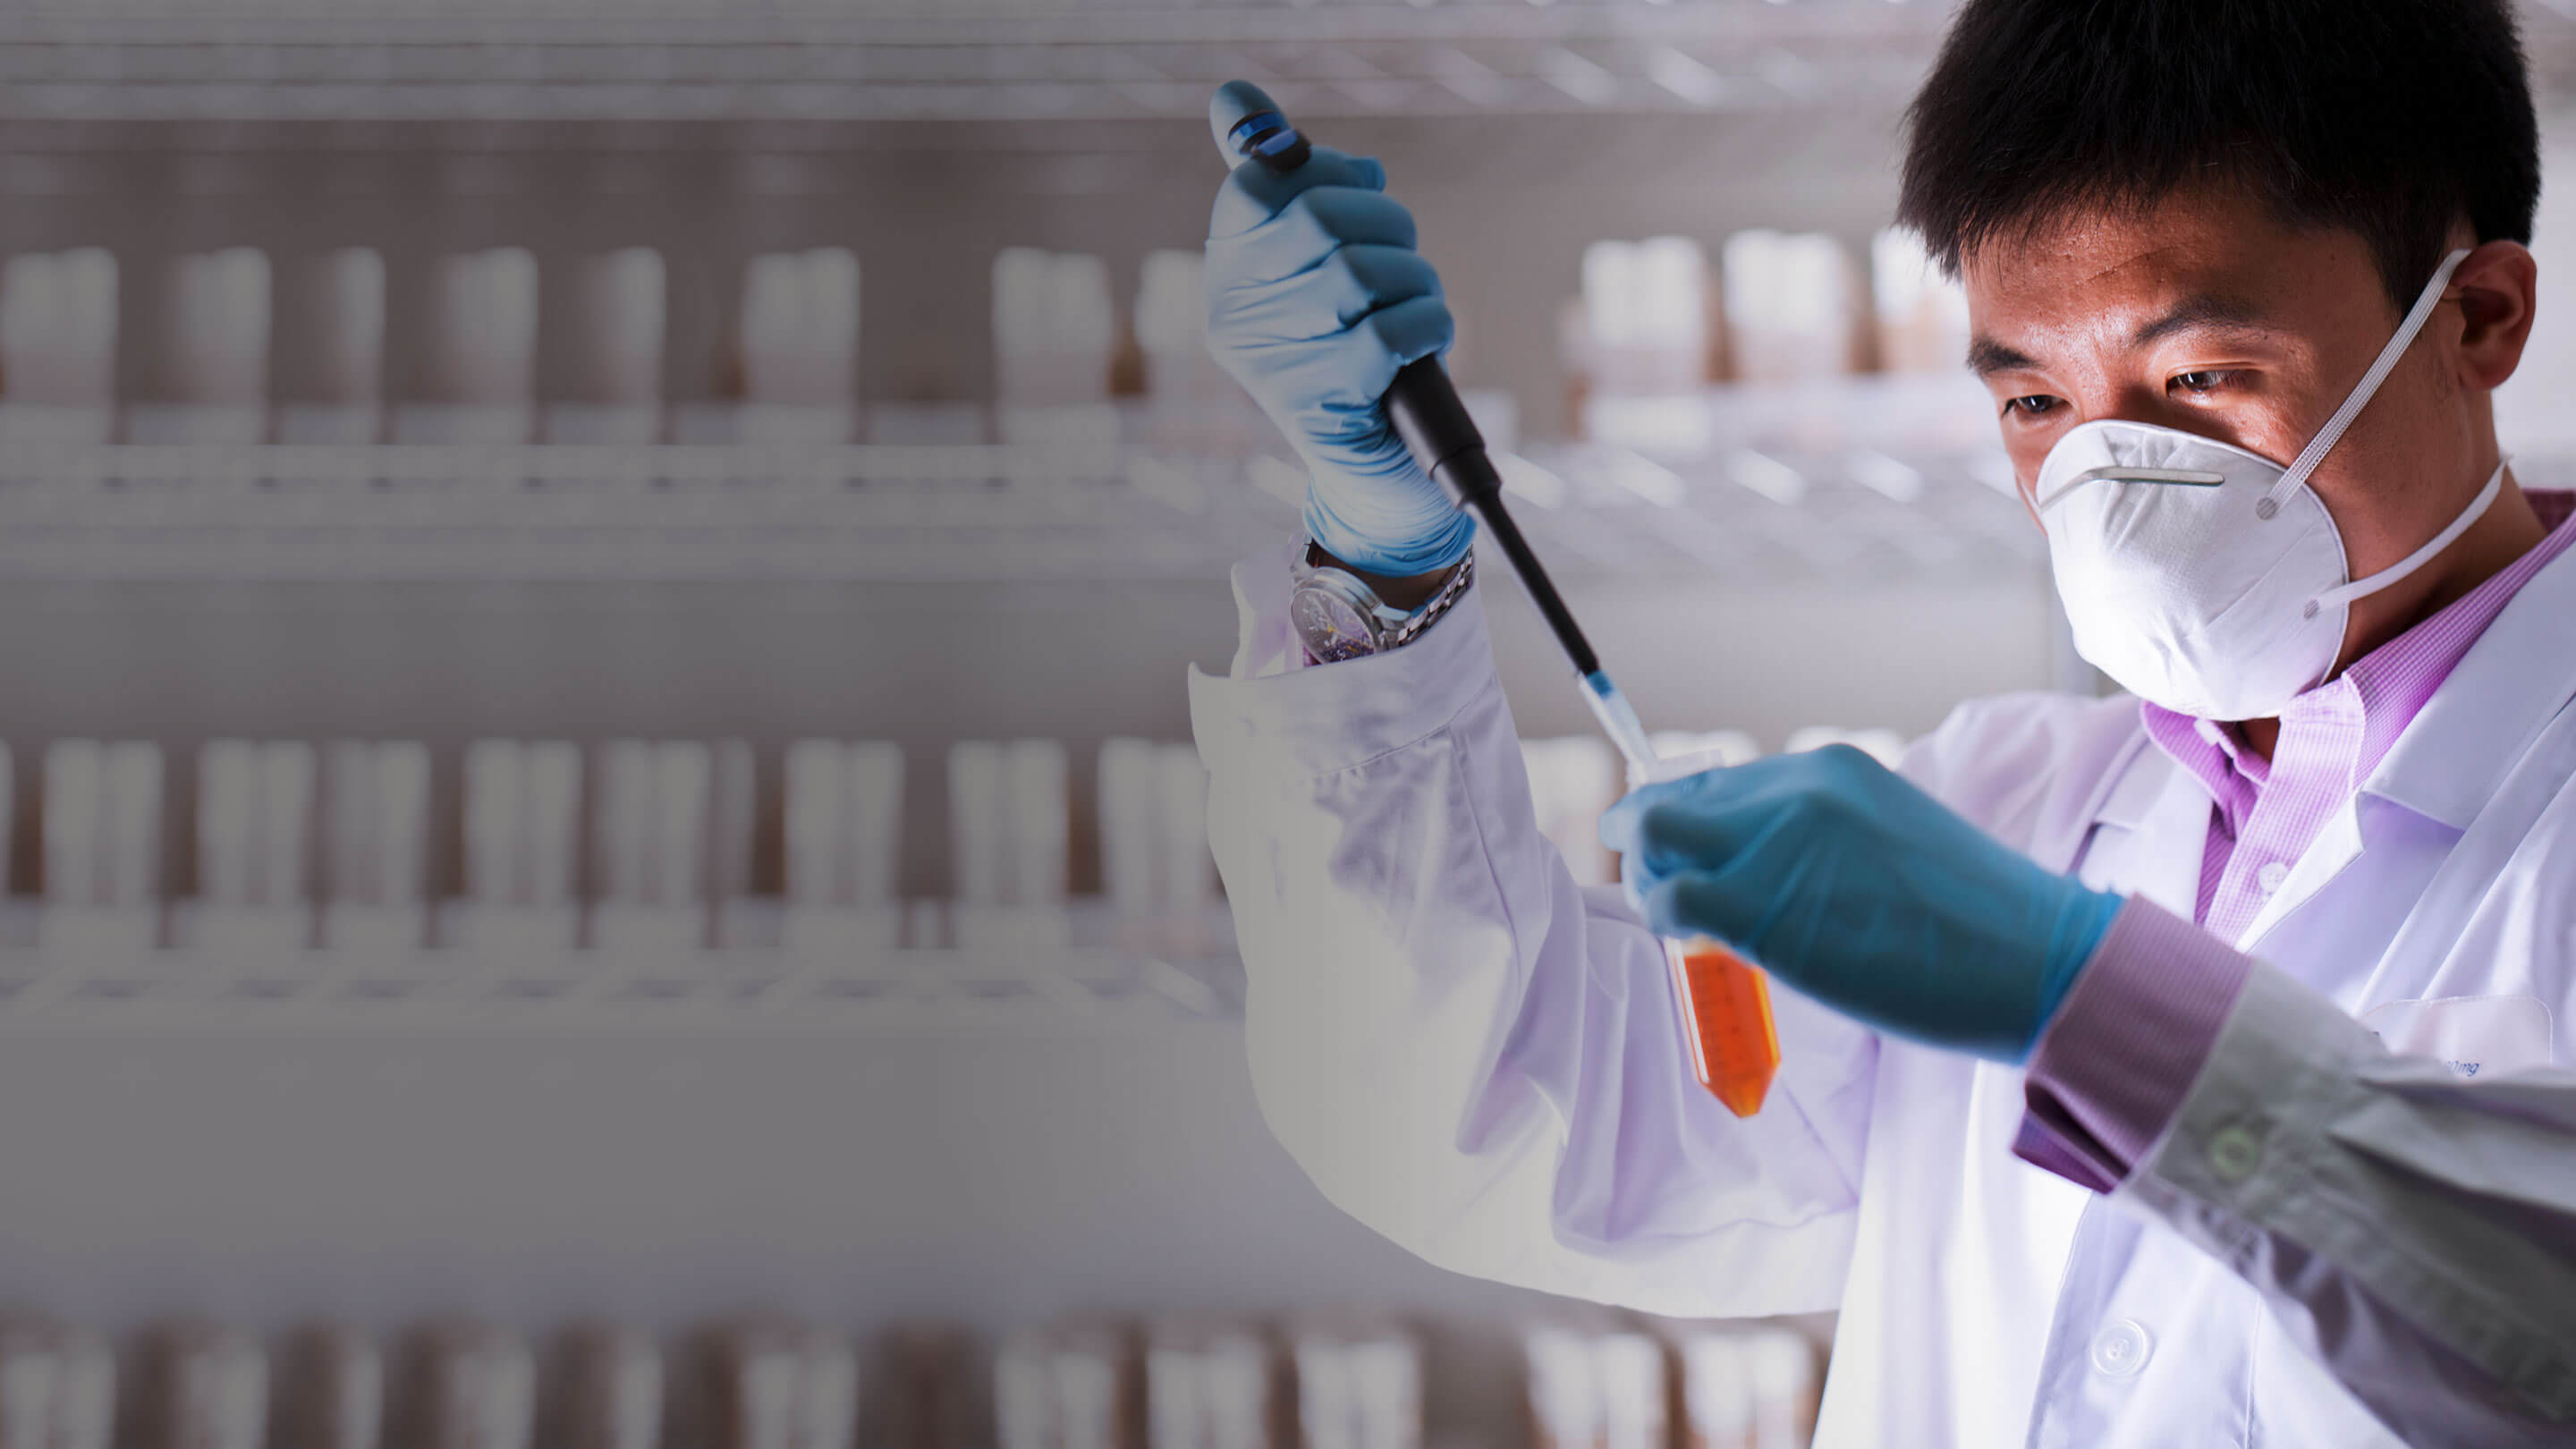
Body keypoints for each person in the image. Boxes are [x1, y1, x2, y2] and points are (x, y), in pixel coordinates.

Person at [1189, 2, 2576, 1445]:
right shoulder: (2007, 804)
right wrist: (1380, 566)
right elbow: (1491, 1119)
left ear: (2478, 318)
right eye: (2038, 399)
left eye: (2202, 378)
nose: (2115, 485)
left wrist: (2097, 1012)